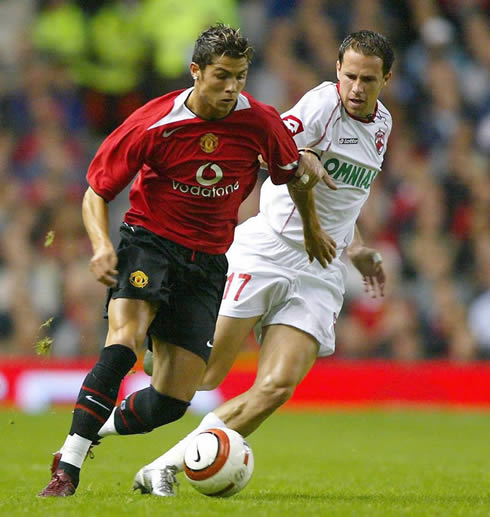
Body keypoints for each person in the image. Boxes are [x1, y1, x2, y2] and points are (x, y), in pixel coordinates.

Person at [38, 23, 335, 498]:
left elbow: (292, 174)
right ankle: (67, 468)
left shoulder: (260, 122)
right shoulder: (154, 121)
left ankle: (88, 433)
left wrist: (313, 222)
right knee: (124, 344)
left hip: (210, 261)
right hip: (150, 242)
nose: (231, 88)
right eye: (221, 76)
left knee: (174, 402)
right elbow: (96, 192)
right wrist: (100, 246)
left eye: (240, 77)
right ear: (195, 71)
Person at [129, 30, 395, 496]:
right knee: (205, 375)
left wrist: (355, 247)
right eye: (349, 75)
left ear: (385, 80)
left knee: (275, 387)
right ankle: (162, 342)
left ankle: (163, 467)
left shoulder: (382, 126)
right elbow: (265, 145)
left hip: (321, 267)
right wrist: (302, 154)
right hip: (269, 250)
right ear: (337, 70)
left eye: (368, 79)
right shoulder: (318, 108)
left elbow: (345, 202)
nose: (356, 87)